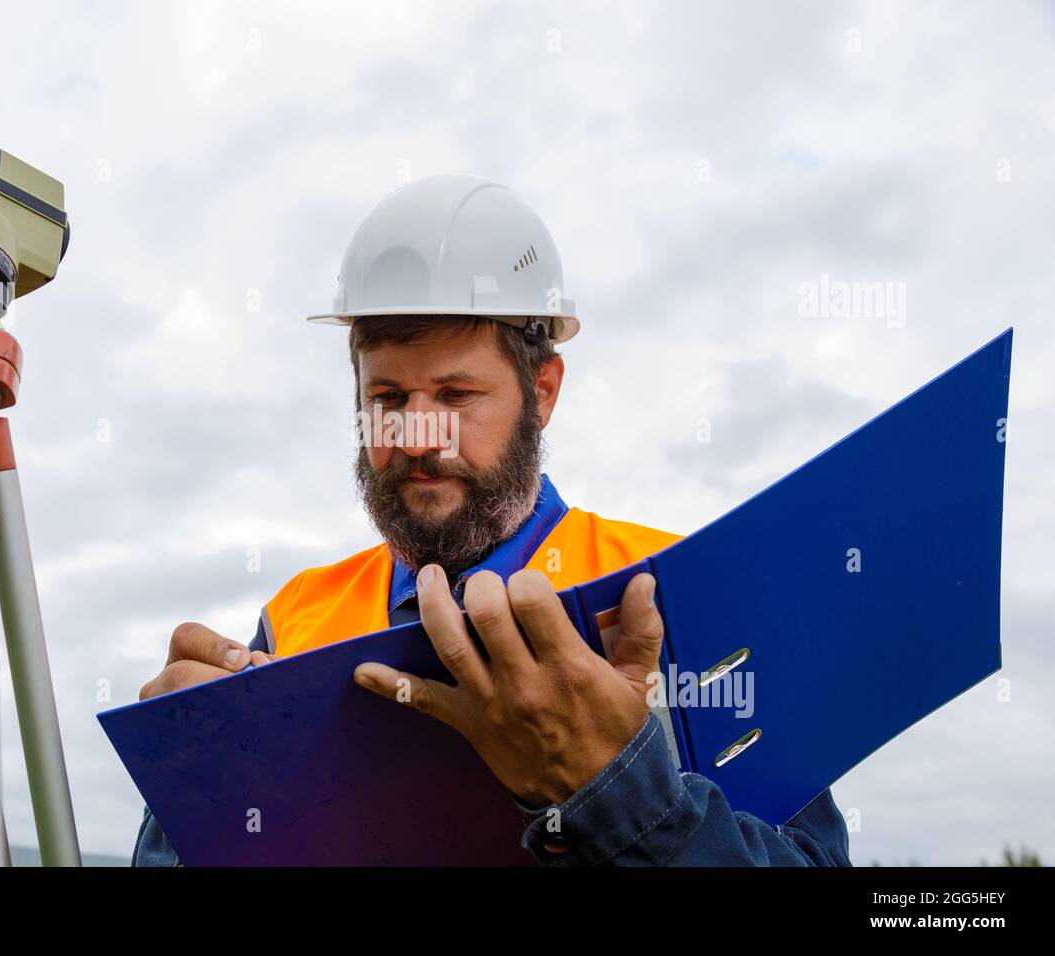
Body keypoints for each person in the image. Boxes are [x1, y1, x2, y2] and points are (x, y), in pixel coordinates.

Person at [133, 174, 851, 867]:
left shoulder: (676, 593)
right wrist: (186, 809)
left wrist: (616, 794)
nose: (415, 437)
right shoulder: (295, 621)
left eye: (455, 393)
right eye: (387, 397)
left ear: (542, 392)